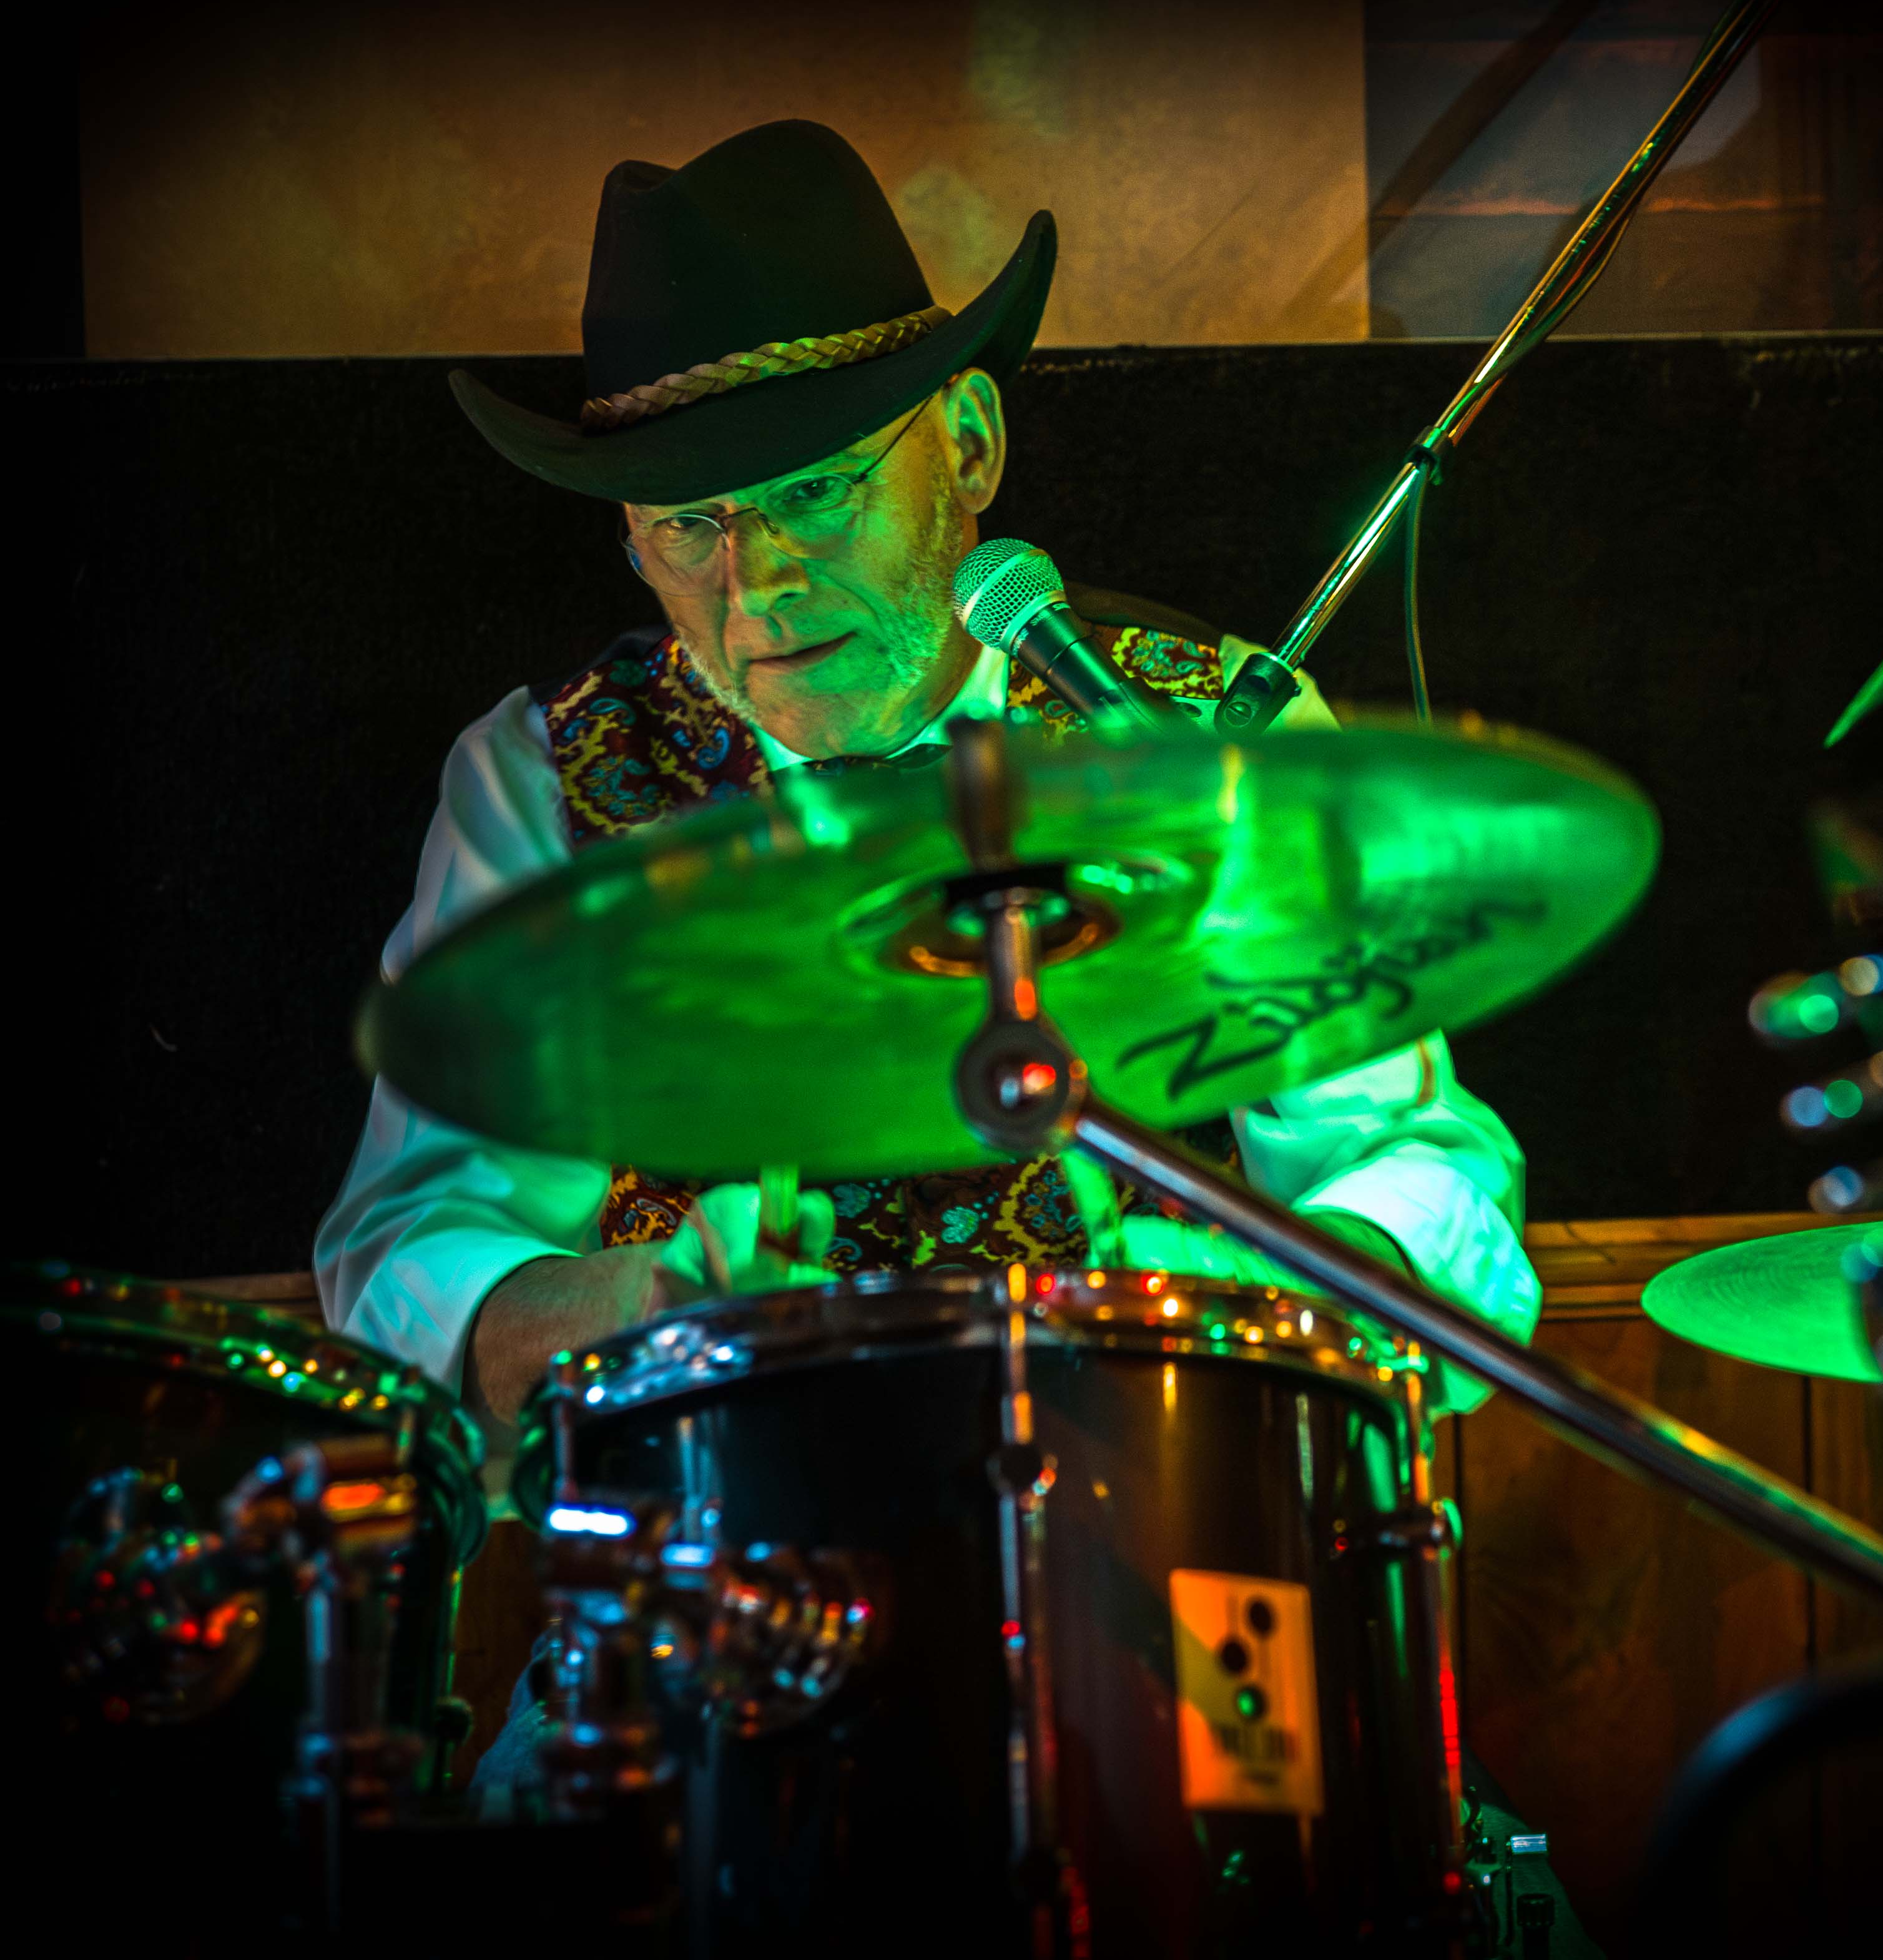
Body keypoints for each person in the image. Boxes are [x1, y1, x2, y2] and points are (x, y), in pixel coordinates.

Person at [314, 118, 1541, 1443]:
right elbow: (406, 1262)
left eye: (815, 492)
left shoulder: (1197, 737)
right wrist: (638, 1302)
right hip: (722, 1524)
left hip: (1149, 1493)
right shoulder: (543, 777)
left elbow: (1411, 1166)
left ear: (966, 444)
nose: (755, 586)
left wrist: (1234, 1289)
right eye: (687, 527)